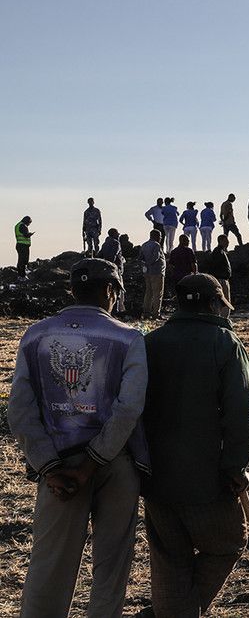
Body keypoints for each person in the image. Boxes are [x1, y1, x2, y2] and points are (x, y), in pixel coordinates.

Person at [8, 258, 149, 618]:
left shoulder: (36, 335)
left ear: (72, 290)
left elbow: (20, 411)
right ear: (110, 291)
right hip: (115, 464)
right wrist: (92, 463)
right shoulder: (128, 337)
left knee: (49, 564)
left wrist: (49, 467)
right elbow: (128, 409)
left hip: (58, 466)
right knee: (111, 567)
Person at [143, 274, 249, 617]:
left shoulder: (150, 342)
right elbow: (240, 412)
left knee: (169, 558)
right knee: (226, 545)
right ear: (212, 303)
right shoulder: (224, 343)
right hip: (206, 476)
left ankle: (169, 612)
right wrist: (235, 466)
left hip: (155, 475)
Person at [98, 228, 126, 314]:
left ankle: (109, 310)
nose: (118, 235)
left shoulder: (105, 243)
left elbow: (100, 255)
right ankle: (115, 311)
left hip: (106, 270)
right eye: (117, 234)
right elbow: (113, 256)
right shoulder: (116, 243)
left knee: (109, 291)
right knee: (117, 291)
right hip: (115, 270)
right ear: (114, 234)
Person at [140, 229, 166, 319]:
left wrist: (146, 266)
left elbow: (140, 258)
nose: (161, 238)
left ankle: (146, 312)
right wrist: (150, 264)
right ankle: (156, 314)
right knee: (157, 294)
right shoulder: (156, 245)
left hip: (147, 272)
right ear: (157, 236)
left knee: (148, 293)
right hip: (157, 272)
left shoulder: (144, 245)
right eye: (160, 236)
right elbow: (156, 257)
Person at [207, 234, 233, 312]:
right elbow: (216, 265)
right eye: (226, 241)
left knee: (223, 302)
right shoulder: (218, 252)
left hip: (222, 279)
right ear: (221, 241)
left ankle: (222, 318)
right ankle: (222, 319)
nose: (228, 242)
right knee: (224, 301)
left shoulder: (221, 251)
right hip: (221, 279)